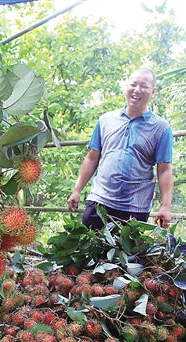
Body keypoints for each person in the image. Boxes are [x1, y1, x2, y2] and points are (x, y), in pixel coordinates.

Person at [67, 67, 174, 230]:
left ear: (153, 92)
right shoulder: (105, 120)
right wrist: (77, 189)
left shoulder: (161, 128)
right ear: (126, 87)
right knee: (89, 252)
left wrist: (166, 206)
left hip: (136, 208)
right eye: (133, 84)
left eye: (144, 86)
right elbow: (92, 157)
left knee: (128, 255)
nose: (137, 90)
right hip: (100, 201)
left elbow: (164, 169)